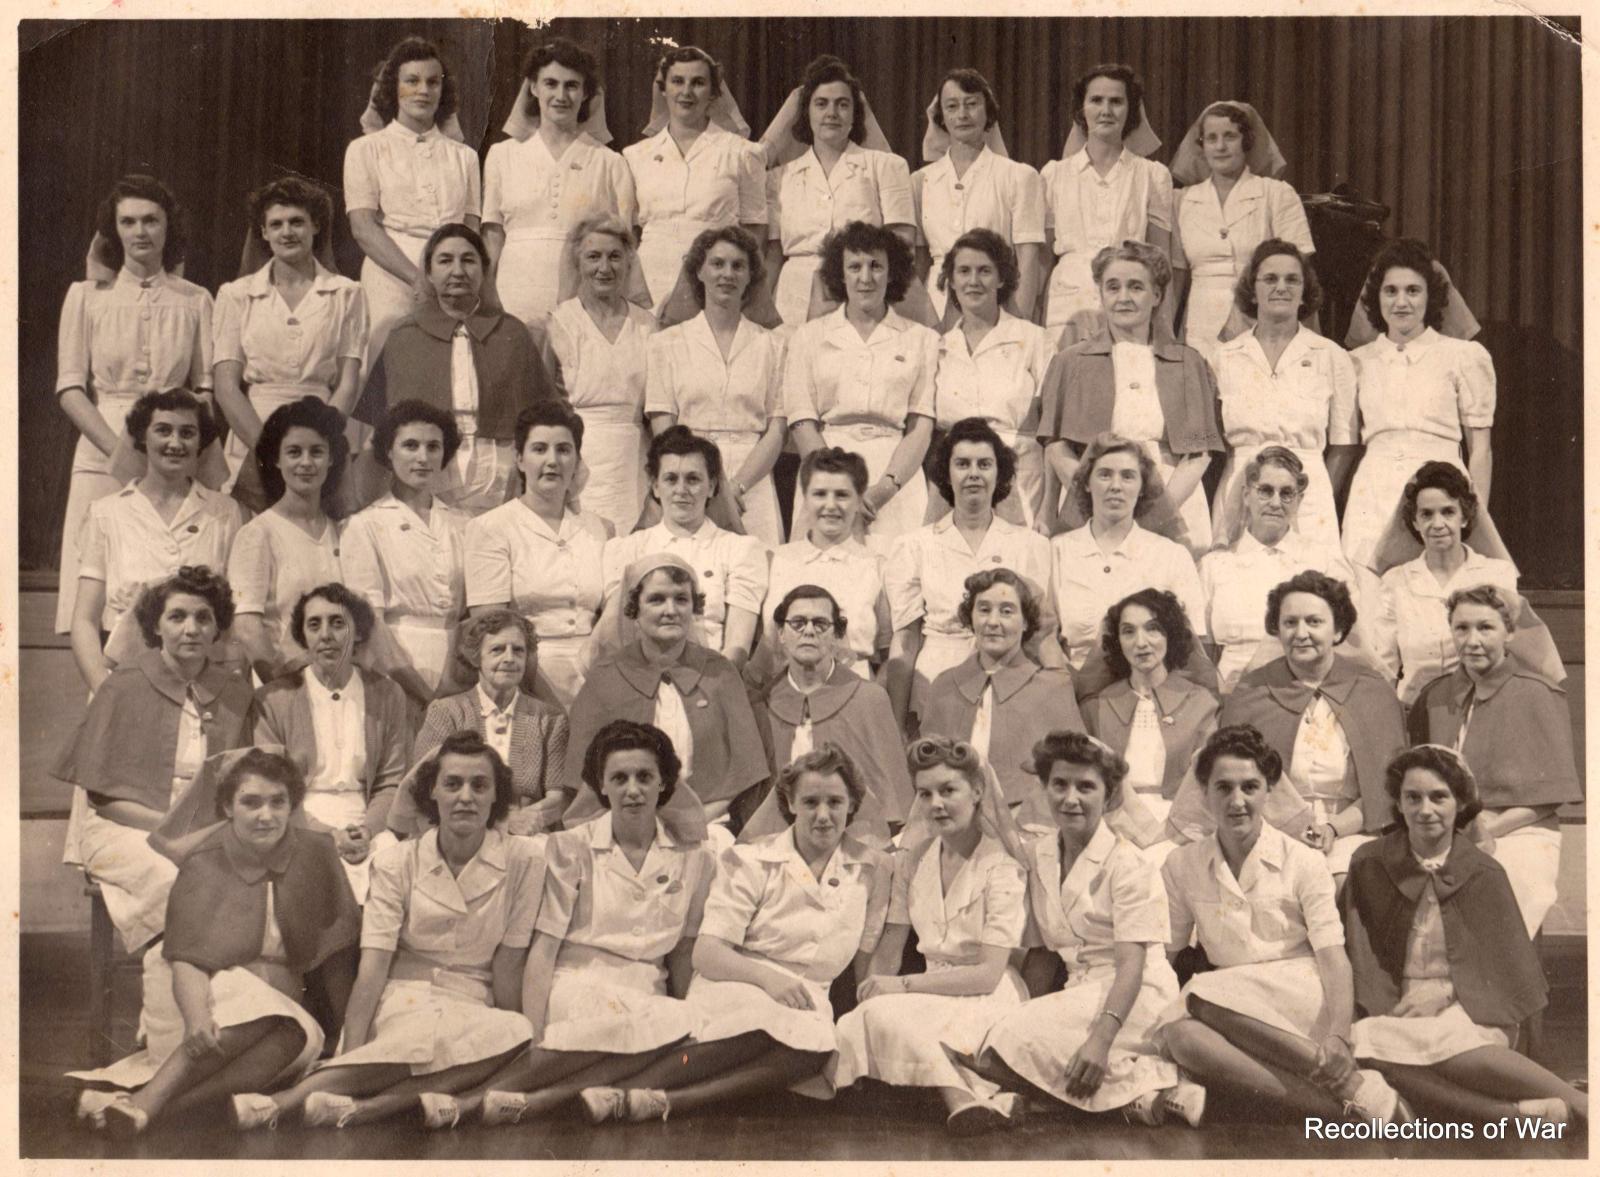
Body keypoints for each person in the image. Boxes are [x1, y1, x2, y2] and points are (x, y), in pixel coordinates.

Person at [236, 732, 545, 1129]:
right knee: (417, 1040)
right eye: (452, 784)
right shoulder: (396, 863)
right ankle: (283, 1104)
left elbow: (508, 965)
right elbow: (374, 968)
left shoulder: (524, 861)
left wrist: (518, 1050)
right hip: (406, 995)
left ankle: (362, 1107)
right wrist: (353, 1045)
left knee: (512, 1031)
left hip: (474, 1000)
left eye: (479, 785)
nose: (465, 796)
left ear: (496, 796)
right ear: (432, 792)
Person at [586, 746, 896, 1121]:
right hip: (737, 983)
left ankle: (660, 1100)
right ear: (790, 803)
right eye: (811, 801)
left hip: (809, 1001)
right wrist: (770, 980)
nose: (824, 815)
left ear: (852, 805)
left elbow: (866, 956)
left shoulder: (872, 869)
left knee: (818, 1046)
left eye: (835, 802)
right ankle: (629, 1091)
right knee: (776, 1030)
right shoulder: (750, 860)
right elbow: (708, 954)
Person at [438, 721, 716, 1127]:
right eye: (618, 778)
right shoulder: (569, 848)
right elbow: (544, 951)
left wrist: (692, 1015)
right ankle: (529, 1090)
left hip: (646, 992)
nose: (632, 790)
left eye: (644, 777)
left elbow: (683, 953)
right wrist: (530, 1038)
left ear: (664, 783)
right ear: (600, 786)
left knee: (687, 1027)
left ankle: (538, 1098)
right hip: (576, 985)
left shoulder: (695, 857)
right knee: (620, 1028)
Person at [73, 750, 360, 1136]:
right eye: (251, 802)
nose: (267, 815)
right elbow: (187, 960)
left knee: (296, 1035)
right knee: (270, 1017)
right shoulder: (205, 859)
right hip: (195, 996)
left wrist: (349, 1042)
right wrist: (195, 1018)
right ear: (227, 806)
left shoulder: (317, 853)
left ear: (293, 804)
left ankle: (148, 1107)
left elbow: (335, 953)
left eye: (278, 802)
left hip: (276, 1015)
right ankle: (149, 1100)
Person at [1156, 726, 1405, 1127]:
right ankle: (1347, 1101)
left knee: (1199, 998)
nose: (1237, 801)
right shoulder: (1181, 865)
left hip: (1301, 1001)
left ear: (1269, 791)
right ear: (1203, 793)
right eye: (1223, 788)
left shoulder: (1303, 860)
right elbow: (1163, 957)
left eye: (1250, 787)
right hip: (1229, 1002)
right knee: (1180, 1037)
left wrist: (1340, 1035)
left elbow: (1333, 958)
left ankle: (1340, 1080)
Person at [1341, 745, 1586, 1127]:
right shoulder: (1368, 862)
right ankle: (1516, 1115)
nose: (1425, 809)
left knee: (1447, 1042)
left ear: (1460, 804)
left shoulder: (1484, 871)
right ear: (1399, 804)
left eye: (1439, 797)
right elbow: (1356, 950)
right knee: (1369, 1043)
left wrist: (1444, 993)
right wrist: (1395, 998)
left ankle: (1579, 1102)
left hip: (1471, 1003)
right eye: (1413, 797)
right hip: (1397, 1002)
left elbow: (1505, 971)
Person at [972, 731, 1194, 1125]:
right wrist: (1025, 1011)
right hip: (1078, 994)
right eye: (1059, 784)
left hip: (1134, 997)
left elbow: (1132, 968)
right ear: (1044, 789)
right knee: (990, 1043)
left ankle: (1145, 1076)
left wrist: (1100, 1040)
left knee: (1003, 1044)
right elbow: (1042, 952)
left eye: (1085, 787)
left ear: (1108, 798)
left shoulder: (1130, 864)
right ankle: (1139, 1093)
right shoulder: (1041, 854)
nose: (1070, 798)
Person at [830, 736, 1030, 1135]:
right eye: (926, 793)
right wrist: (872, 987)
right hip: (928, 991)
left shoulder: (1002, 865)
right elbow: (893, 942)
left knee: (897, 1020)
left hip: (986, 993)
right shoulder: (913, 861)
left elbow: (989, 973)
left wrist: (901, 985)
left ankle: (958, 1093)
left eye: (948, 790)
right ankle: (979, 1094)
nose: (936, 803)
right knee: (865, 1017)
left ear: (976, 791)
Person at [55, 568, 255, 963]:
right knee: (180, 881)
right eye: (177, 616)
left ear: (217, 629)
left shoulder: (233, 691)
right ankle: (189, 990)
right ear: (156, 626)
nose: (191, 628)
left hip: (203, 827)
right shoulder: (122, 685)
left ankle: (216, 990)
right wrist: (173, 825)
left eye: (203, 617)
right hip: (124, 828)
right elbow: (103, 800)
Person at [53, 173, 214, 635]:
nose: (140, 232)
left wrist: (174, 446)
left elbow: (203, 388)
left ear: (168, 228)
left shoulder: (196, 299)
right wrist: (122, 452)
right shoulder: (85, 298)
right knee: (100, 590)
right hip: (101, 452)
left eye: (151, 220)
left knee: (170, 583)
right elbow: (69, 388)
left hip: (175, 449)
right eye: (129, 221)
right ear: (113, 229)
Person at [1173, 571, 1403, 878]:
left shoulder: (1373, 692)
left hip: (1353, 830)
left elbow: (1385, 790)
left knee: (1345, 880)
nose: (1301, 632)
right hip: (1267, 830)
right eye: (1290, 622)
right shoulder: (1251, 692)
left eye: (1314, 621)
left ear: (1338, 630)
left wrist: (1333, 828)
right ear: (1276, 630)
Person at [1407, 586, 1581, 937]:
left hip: (1518, 830)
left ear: (1510, 632)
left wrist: (1481, 831)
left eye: (1485, 628)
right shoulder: (1434, 695)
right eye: (1462, 628)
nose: (1472, 640)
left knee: (1502, 888)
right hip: (1440, 825)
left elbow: (1545, 801)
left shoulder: (1538, 694)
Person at [564, 555, 768, 841]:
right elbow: (585, 778)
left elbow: (743, 772)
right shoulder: (605, 678)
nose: (670, 610)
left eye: (681, 599)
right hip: (618, 827)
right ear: (634, 609)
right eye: (657, 599)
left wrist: (691, 822)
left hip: (708, 826)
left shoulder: (720, 673)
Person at [361, 222, 558, 516]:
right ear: (428, 272)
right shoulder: (403, 336)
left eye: (468, 260)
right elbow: (378, 426)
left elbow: (540, 416)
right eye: (445, 260)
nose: (457, 271)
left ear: (484, 269)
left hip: (497, 473)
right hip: (426, 470)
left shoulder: (512, 333)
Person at [1038, 240, 1224, 549]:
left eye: (1136, 287)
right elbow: (1056, 448)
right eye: (1113, 287)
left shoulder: (1187, 361)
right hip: (1092, 504)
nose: (1123, 297)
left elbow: (1197, 456)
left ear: (1157, 296)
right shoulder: (1069, 361)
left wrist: (1153, 511)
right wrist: (1099, 498)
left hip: (1173, 502)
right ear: (1100, 294)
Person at [885, 417, 1059, 727]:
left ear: (999, 473)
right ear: (947, 474)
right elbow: (906, 641)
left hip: (1010, 685)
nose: (974, 474)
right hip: (936, 684)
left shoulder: (1031, 545)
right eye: (963, 464)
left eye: (984, 464)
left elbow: (1041, 636)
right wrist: (895, 726)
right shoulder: (914, 546)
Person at [69, 389, 243, 690]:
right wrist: (103, 689)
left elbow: (235, 614)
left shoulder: (224, 512)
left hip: (204, 684)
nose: (175, 443)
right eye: (163, 430)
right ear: (141, 437)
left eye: (187, 433)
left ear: (200, 442)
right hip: (127, 680)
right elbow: (84, 620)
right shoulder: (106, 513)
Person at [1342, 239, 1497, 571]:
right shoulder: (1355, 363)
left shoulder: (1463, 357)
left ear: (1431, 296)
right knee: (1369, 598)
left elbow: (1480, 449)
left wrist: (1474, 517)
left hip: (1440, 492)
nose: (1401, 302)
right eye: (1391, 291)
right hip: (1373, 493)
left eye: (1413, 291)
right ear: (1376, 297)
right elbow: (1348, 444)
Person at [252, 584, 411, 902]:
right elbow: (272, 788)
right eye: (314, 625)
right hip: (297, 821)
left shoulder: (387, 693)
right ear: (303, 636)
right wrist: (329, 836)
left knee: (394, 873)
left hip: (369, 821)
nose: (326, 635)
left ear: (358, 632)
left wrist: (367, 831)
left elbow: (391, 782)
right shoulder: (274, 698)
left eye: (338, 623)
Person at [784, 220, 940, 539]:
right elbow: (801, 420)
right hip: (825, 472)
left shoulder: (922, 339)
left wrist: (883, 490)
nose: (865, 277)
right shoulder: (807, 337)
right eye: (854, 266)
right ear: (840, 274)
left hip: (896, 479)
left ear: (892, 271)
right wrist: (837, 486)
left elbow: (920, 427)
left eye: (876, 266)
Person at [212, 175, 369, 484]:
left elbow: (349, 383)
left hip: (322, 435)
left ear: (316, 226)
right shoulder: (235, 294)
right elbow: (226, 388)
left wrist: (317, 445)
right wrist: (268, 452)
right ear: (263, 232)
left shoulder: (348, 293)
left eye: (297, 222)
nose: (287, 232)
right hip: (252, 437)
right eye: (276, 224)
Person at [343, 36, 481, 372]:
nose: (423, 90)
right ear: (394, 89)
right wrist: (417, 279)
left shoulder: (465, 157)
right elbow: (363, 228)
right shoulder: (366, 149)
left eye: (433, 82)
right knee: (386, 360)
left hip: (451, 273)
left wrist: (450, 274)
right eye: (412, 81)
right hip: (390, 273)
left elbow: (471, 227)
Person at [1209, 240, 1357, 551]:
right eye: (1270, 279)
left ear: (1306, 290)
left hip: (1307, 493)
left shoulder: (1331, 355)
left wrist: (1310, 494)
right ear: (1252, 288)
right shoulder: (1223, 357)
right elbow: (1212, 437)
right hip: (1241, 487)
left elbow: (1344, 444)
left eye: (1292, 280)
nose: (1281, 287)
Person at [482, 38, 637, 330]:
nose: (561, 95)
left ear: (586, 92)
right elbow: (492, 238)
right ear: (533, 87)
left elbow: (623, 248)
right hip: (514, 291)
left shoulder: (610, 163)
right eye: (551, 83)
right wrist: (489, 299)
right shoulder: (502, 155)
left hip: (584, 294)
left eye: (572, 85)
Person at [646, 225, 786, 545]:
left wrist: (735, 487)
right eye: (717, 264)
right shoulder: (665, 344)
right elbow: (663, 425)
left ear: (751, 276)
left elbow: (777, 429)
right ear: (699, 270)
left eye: (738, 266)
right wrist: (702, 483)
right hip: (689, 476)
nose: (728, 274)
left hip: (753, 481)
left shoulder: (773, 345)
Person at [465, 401, 611, 707]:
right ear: (519, 459)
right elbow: (490, 625)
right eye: (539, 449)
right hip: (523, 678)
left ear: (577, 459)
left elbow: (609, 619)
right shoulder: (491, 528)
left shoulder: (601, 529)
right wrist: (544, 697)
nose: (552, 460)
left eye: (563, 449)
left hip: (596, 678)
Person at [386, 610, 570, 840]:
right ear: (476, 658)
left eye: (518, 650)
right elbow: (425, 788)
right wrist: (503, 820)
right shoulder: (445, 712)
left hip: (527, 836)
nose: (509, 658)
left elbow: (559, 797)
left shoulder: (550, 719)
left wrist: (529, 819)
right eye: (497, 650)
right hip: (456, 830)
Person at [743, 585, 912, 832]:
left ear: (836, 635)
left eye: (820, 624)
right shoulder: (762, 703)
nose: (809, 631)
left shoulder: (869, 698)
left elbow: (893, 803)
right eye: (798, 623)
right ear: (780, 633)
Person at [762, 55, 915, 327]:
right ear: (806, 112)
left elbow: (901, 245)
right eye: (821, 104)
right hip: (793, 297)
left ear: (855, 113)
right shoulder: (779, 177)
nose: (831, 113)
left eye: (842, 104)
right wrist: (763, 310)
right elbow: (773, 254)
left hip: (862, 292)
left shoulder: (886, 166)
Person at [920, 568, 1083, 823]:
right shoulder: (944, 686)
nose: (993, 622)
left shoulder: (1053, 688)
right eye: (984, 609)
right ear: (970, 616)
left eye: (1007, 611)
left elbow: (1073, 776)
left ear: (1026, 621)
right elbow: (927, 774)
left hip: (1031, 824)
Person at [340, 400, 470, 712]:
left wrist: (456, 682)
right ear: (388, 451)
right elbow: (370, 620)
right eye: (410, 446)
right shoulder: (363, 525)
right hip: (394, 670)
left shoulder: (464, 525)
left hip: (457, 672)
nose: (423, 457)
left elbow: (470, 616)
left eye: (433, 447)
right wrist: (420, 692)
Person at [1199, 447, 1360, 693]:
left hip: (1304, 692)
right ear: (1246, 495)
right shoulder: (1215, 566)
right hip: (1231, 696)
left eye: (1287, 494)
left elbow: (1347, 647)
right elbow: (1203, 655)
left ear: (1299, 500)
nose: (1275, 502)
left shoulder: (1325, 563)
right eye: (1265, 491)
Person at [1169, 101, 1315, 372]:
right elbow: (1176, 277)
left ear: (1246, 142)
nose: (1220, 146)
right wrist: (1169, 335)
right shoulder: (1183, 201)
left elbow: (1298, 272)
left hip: (1263, 315)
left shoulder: (1277, 194)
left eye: (1230, 136)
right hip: (1201, 320)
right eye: (1211, 138)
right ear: (1201, 145)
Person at [601, 426, 768, 660]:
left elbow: (737, 648)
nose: (681, 490)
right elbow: (617, 636)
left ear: (711, 486)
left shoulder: (739, 550)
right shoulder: (626, 549)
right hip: (640, 677)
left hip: (712, 677)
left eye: (693, 479)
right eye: (670, 479)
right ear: (655, 487)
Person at [1047, 433, 1207, 671]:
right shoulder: (1057, 551)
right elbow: (1044, 638)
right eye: (1104, 474)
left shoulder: (1172, 556)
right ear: (1087, 483)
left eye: (1128, 476)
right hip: (1073, 688)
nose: (1115, 486)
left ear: (1143, 487)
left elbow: (1191, 648)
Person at [623, 45, 766, 312]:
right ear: (663, 88)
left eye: (698, 83)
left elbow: (755, 229)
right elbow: (629, 233)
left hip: (716, 278)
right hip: (650, 277)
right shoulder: (635, 156)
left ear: (713, 93)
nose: (686, 92)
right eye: (677, 81)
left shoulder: (743, 153)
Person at [931, 230, 1056, 525]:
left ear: (1002, 278)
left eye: (984, 271)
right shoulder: (939, 346)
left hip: (1021, 480)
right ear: (950, 280)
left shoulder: (1035, 340)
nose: (973, 281)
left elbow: (1053, 432)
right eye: (964, 271)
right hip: (956, 481)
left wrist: (1049, 508)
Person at [1040, 64, 1173, 340]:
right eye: (1096, 100)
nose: (1106, 110)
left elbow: (1162, 262)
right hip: (1067, 304)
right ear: (1082, 109)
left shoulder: (1152, 175)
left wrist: (1164, 329)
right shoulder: (1054, 174)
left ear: (1131, 110)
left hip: (1129, 300)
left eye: (1116, 101)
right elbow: (1043, 259)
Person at [1081, 589, 1218, 855]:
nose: (1141, 642)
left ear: (1171, 635)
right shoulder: (1097, 706)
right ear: (1117, 641)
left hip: (1183, 830)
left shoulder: (1202, 703)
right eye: (1128, 631)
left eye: (1153, 629)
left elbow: (1204, 785)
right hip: (1113, 826)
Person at [1369, 462, 1518, 704]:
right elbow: (1384, 667)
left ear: (1465, 517)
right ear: (1415, 522)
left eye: (1448, 512)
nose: (1437, 524)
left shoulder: (1498, 575)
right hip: (1414, 712)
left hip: (1482, 709)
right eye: (1426, 514)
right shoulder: (1395, 581)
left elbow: (1513, 656)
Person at [542, 216, 655, 535]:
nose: (604, 267)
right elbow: (548, 407)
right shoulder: (559, 323)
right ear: (578, 262)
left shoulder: (648, 326)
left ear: (629, 262)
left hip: (634, 459)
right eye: (594, 257)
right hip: (578, 456)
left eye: (614, 256)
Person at [227, 397, 348, 681]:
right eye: (294, 452)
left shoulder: (344, 531)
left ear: (331, 458)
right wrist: (286, 690)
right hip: (283, 687)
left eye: (316, 452)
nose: (306, 462)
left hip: (340, 684)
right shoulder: (257, 534)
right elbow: (247, 627)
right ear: (276, 460)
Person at [912, 68, 1045, 321]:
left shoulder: (1019, 176)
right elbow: (918, 263)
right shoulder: (921, 181)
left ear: (988, 112)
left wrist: (1018, 324)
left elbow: (1028, 260)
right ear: (941, 116)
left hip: (998, 304)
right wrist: (924, 322)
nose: (962, 115)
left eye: (971, 104)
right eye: (951, 106)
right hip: (936, 308)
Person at [761, 447, 890, 677]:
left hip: (854, 690)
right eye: (820, 494)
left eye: (842, 495)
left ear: (859, 500)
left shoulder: (876, 565)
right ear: (805, 497)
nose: (830, 505)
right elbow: (764, 648)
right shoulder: (776, 560)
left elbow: (889, 654)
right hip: (784, 690)